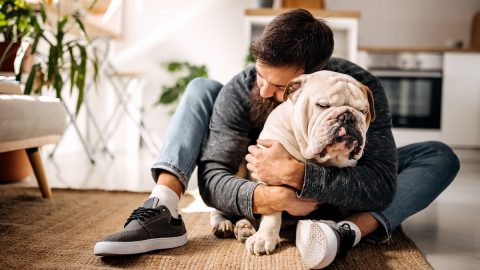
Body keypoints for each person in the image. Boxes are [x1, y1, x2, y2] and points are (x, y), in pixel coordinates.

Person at [94, 8, 459, 269]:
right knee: (201, 87)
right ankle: (162, 207)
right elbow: (213, 181)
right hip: (260, 181)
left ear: (310, 79)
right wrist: (271, 196)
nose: (265, 90)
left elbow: (379, 184)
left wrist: (300, 177)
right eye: (260, 74)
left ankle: (348, 231)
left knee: (439, 155)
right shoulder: (242, 90)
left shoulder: (359, 90)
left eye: (280, 86)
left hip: (329, 182)